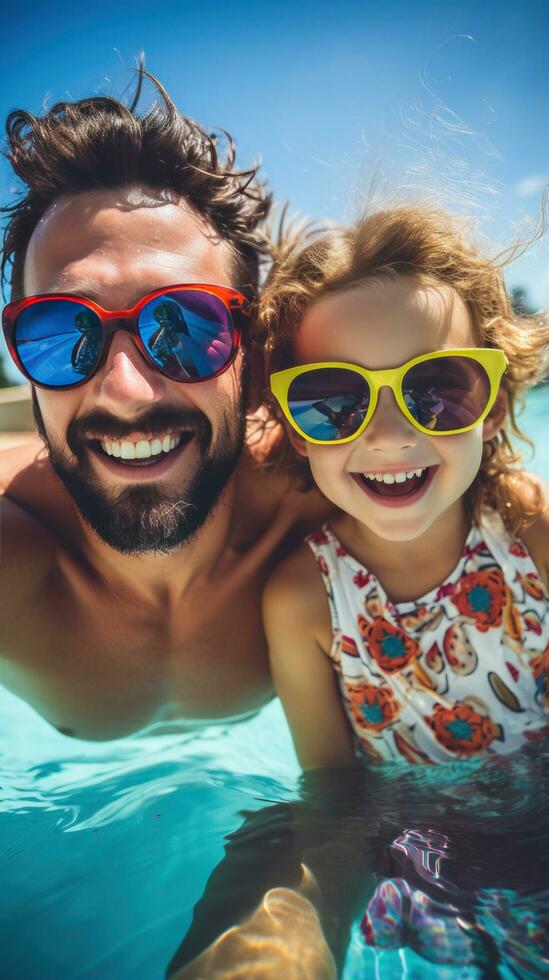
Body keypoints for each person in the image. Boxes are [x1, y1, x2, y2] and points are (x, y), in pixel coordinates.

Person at [0, 71, 331, 740]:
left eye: (181, 323)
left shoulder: (329, 505)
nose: (126, 388)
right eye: (64, 332)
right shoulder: (14, 552)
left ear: (255, 354)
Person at [261, 204, 549, 768]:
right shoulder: (303, 602)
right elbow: (331, 795)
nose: (389, 438)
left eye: (437, 389)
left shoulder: (531, 531)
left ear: (493, 407)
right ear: (296, 432)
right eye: (334, 402)